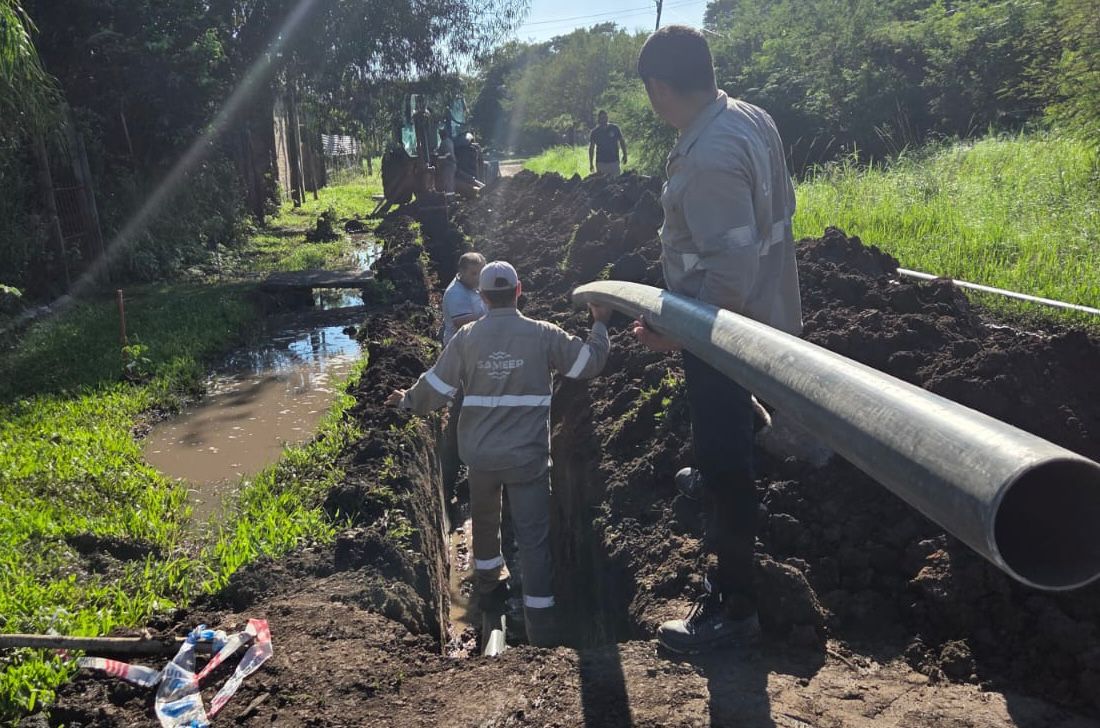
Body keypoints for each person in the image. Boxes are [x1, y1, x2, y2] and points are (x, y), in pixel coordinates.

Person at [631, 25, 802, 654]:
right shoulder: (749, 117)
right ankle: (716, 467)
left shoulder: (707, 158)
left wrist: (674, 336)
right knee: (722, 443)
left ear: (659, 88)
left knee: (727, 461)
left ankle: (734, 609)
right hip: (760, 312)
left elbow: (728, 276)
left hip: (725, 333)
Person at [386, 261, 612, 646]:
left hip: (481, 458)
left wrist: (407, 400)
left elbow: (437, 388)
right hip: (527, 460)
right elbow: (588, 364)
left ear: (484, 297)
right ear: (518, 291)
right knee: (533, 539)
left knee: (485, 522)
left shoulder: (467, 338)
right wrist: (600, 324)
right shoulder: (543, 334)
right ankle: (540, 623)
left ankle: (489, 587)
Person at [439, 252, 488, 492]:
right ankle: (460, 454)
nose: (478, 277)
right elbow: (466, 325)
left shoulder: (473, 288)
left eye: (481, 272)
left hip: (475, 350)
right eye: (473, 273)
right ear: (461, 272)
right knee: (465, 402)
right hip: (460, 354)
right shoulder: (456, 294)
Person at [588, 110, 628, 176]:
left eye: (605, 117)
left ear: (607, 118)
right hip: (601, 163)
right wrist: (591, 163)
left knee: (616, 181)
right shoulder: (595, 132)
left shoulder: (615, 128)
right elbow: (591, 148)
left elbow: (622, 141)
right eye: (601, 118)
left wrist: (625, 155)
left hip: (614, 161)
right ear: (598, 119)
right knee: (602, 181)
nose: (603, 120)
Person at [437, 127, 457, 194]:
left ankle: (449, 197)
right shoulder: (449, 141)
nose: (440, 136)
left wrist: (438, 158)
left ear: (442, 135)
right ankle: (449, 196)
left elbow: (447, 155)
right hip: (452, 165)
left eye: (440, 135)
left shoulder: (444, 142)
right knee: (449, 182)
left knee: (448, 183)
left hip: (448, 165)